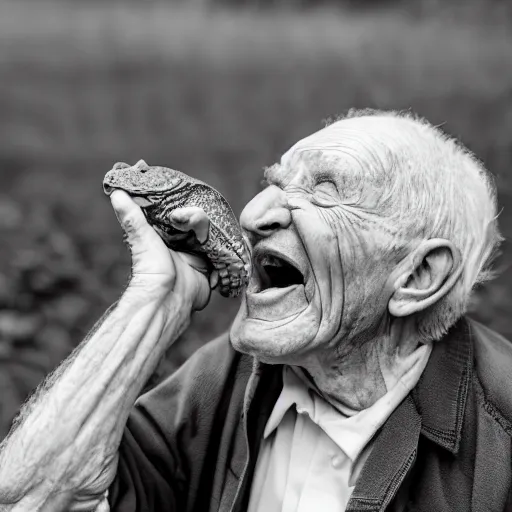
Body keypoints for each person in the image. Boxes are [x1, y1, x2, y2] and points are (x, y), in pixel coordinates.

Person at [0, 109, 510, 512]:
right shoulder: (225, 378)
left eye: (323, 191)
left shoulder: (498, 448)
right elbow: (35, 497)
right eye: (276, 182)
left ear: (418, 277)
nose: (252, 214)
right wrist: (155, 302)